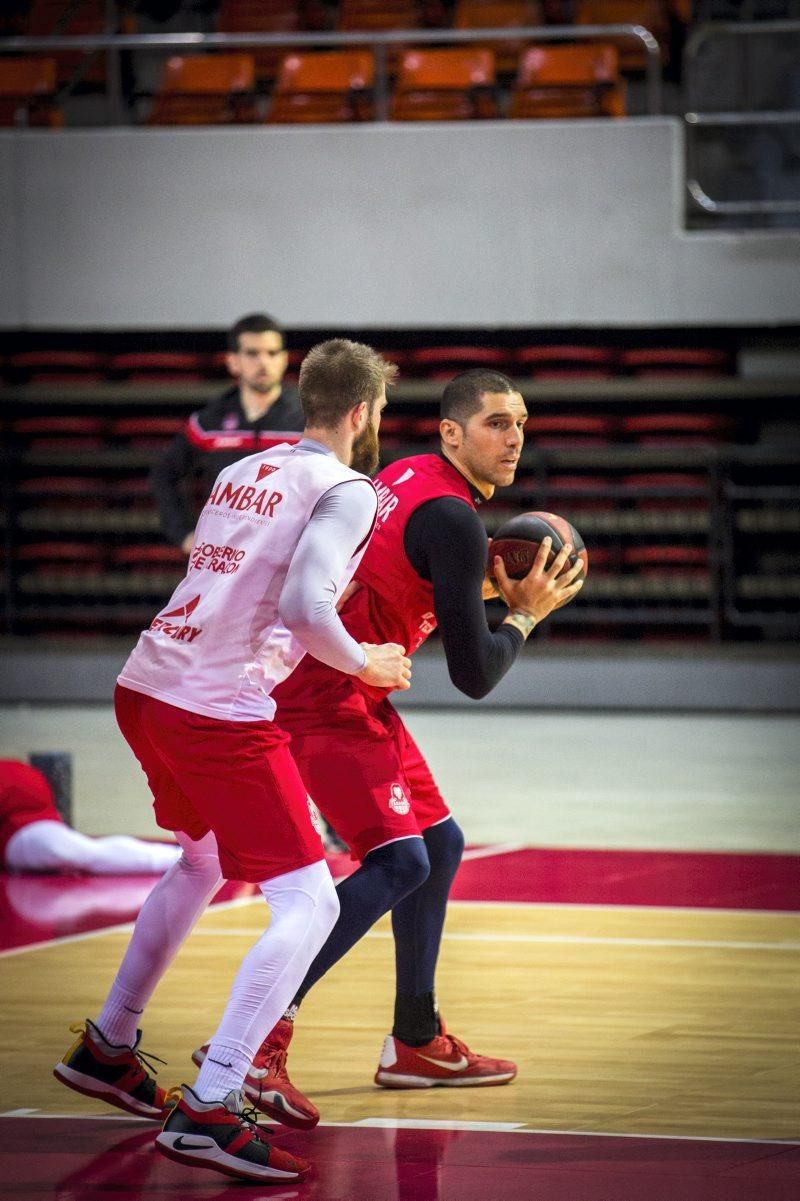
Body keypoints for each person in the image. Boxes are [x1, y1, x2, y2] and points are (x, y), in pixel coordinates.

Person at [54, 339, 412, 1186]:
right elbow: (302, 602)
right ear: (365, 413)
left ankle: (110, 1045)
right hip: (216, 703)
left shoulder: (242, 469)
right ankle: (212, 1105)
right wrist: (367, 660)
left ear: (301, 395)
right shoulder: (347, 486)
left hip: (146, 680)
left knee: (203, 859)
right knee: (310, 901)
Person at [192, 369, 584, 1128]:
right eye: (497, 423)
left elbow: (409, 580)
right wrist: (526, 615)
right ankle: (254, 1045)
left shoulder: (406, 474)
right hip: (321, 695)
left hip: (345, 686)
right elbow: (475, 675)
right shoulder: (455, 518)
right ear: (452, 432)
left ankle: (415, 1038)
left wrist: (478, 593)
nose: (514, 439)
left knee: (439, 843)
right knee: (400, 861)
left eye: (521, 424)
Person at [150, 312, 303, 553]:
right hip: (222, 556)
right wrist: (184, 534)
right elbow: (163, 475)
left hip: (288, 556)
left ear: (284, 359)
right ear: (233, 361)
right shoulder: (208, 422)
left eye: (272, 353)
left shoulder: (309, 420)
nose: (263, 362)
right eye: (252, 353)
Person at [0, 759, 180, 875]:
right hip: (18, 828)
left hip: (26, 824)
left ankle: (176, 858)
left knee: (80, 851)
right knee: (78, 852)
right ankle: (177, 859)